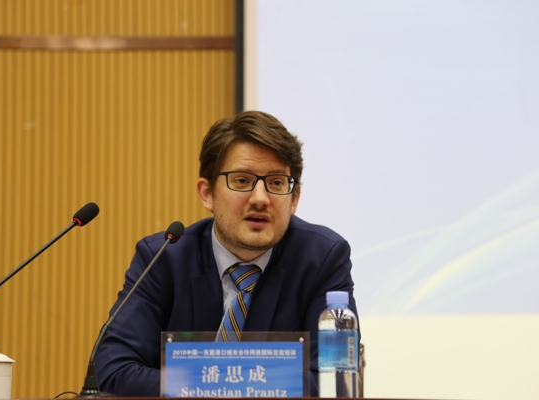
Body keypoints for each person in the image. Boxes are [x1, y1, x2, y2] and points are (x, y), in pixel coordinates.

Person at [94, 110, 358, 396]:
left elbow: (337, 381)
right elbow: (114, 369)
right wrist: (226, 385)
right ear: (207, 193)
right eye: (242, 181)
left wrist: (207, 383)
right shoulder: (163, 259)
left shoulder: (321, 259)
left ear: (294, 199)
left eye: (276, 183)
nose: (260, 199)